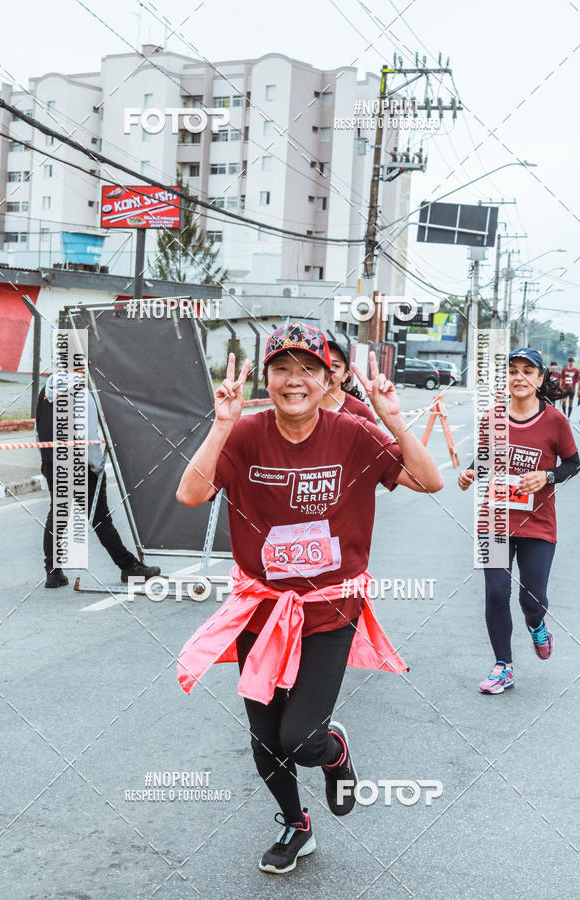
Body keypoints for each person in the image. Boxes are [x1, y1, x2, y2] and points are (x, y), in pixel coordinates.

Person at [176, 321, 442, 875]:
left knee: (299, 738)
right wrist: (221, 426)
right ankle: (297, 825)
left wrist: (391, 418)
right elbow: (191, 493)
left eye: (307, 370)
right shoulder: (246, 434)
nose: (293, 380)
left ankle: (334, 753)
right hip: (261, 609)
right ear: (266, 378)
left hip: (330, 610)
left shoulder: (352, 434)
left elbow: (429, 481)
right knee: (265, 738)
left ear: (328, 380)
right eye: (281, 368)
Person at [458, 348, 579, 694]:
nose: (519, 377)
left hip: (538, 523)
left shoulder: (555, 420)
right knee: (496, 593)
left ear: (540, 379)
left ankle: (537, 625)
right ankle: (503, 666)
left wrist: (548, 477)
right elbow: (484, 459)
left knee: (533, 599)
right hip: (493, 519)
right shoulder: (492, 416)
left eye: (528, 371)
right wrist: (470, 473)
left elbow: (573, 463)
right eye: (513, 371)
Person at [36, 372, 160, 588]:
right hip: (80, 468)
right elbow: (87, 437)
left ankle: (53, 573)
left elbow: (37, 432)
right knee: (101, 520)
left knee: (57, 515)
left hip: (53, 465)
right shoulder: (81, 394)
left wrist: (48, 460)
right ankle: (129, 567)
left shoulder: (44, 392)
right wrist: (96, 466)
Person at [319, 339, 376, 423]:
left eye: (335, 365)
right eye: (322, 363)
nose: (327, 372)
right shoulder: (301, 405)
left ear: (345, 375)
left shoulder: (359, 411)